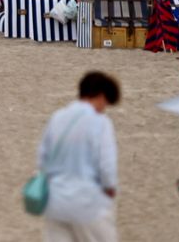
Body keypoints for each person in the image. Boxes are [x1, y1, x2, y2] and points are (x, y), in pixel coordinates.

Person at [33, 71, 119, 240]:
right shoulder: (101, 122)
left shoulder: (57, 117)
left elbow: (42, 159)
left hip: (56, 202)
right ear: (101, 96)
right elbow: (107, 165)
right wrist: (110, 188)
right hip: (88, 202)